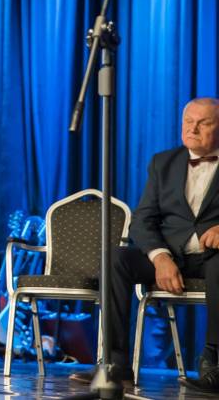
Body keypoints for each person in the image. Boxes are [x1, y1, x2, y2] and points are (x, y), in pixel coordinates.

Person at [70, 97, 219, 393]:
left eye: (203, 123)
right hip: (172, 255)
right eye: (188, 121)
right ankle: (114, 364)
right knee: (115, 258)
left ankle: (214, 364)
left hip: (213, 255)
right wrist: (160, 257)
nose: (192, 129)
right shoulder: (163, 162)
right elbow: (142, 219)